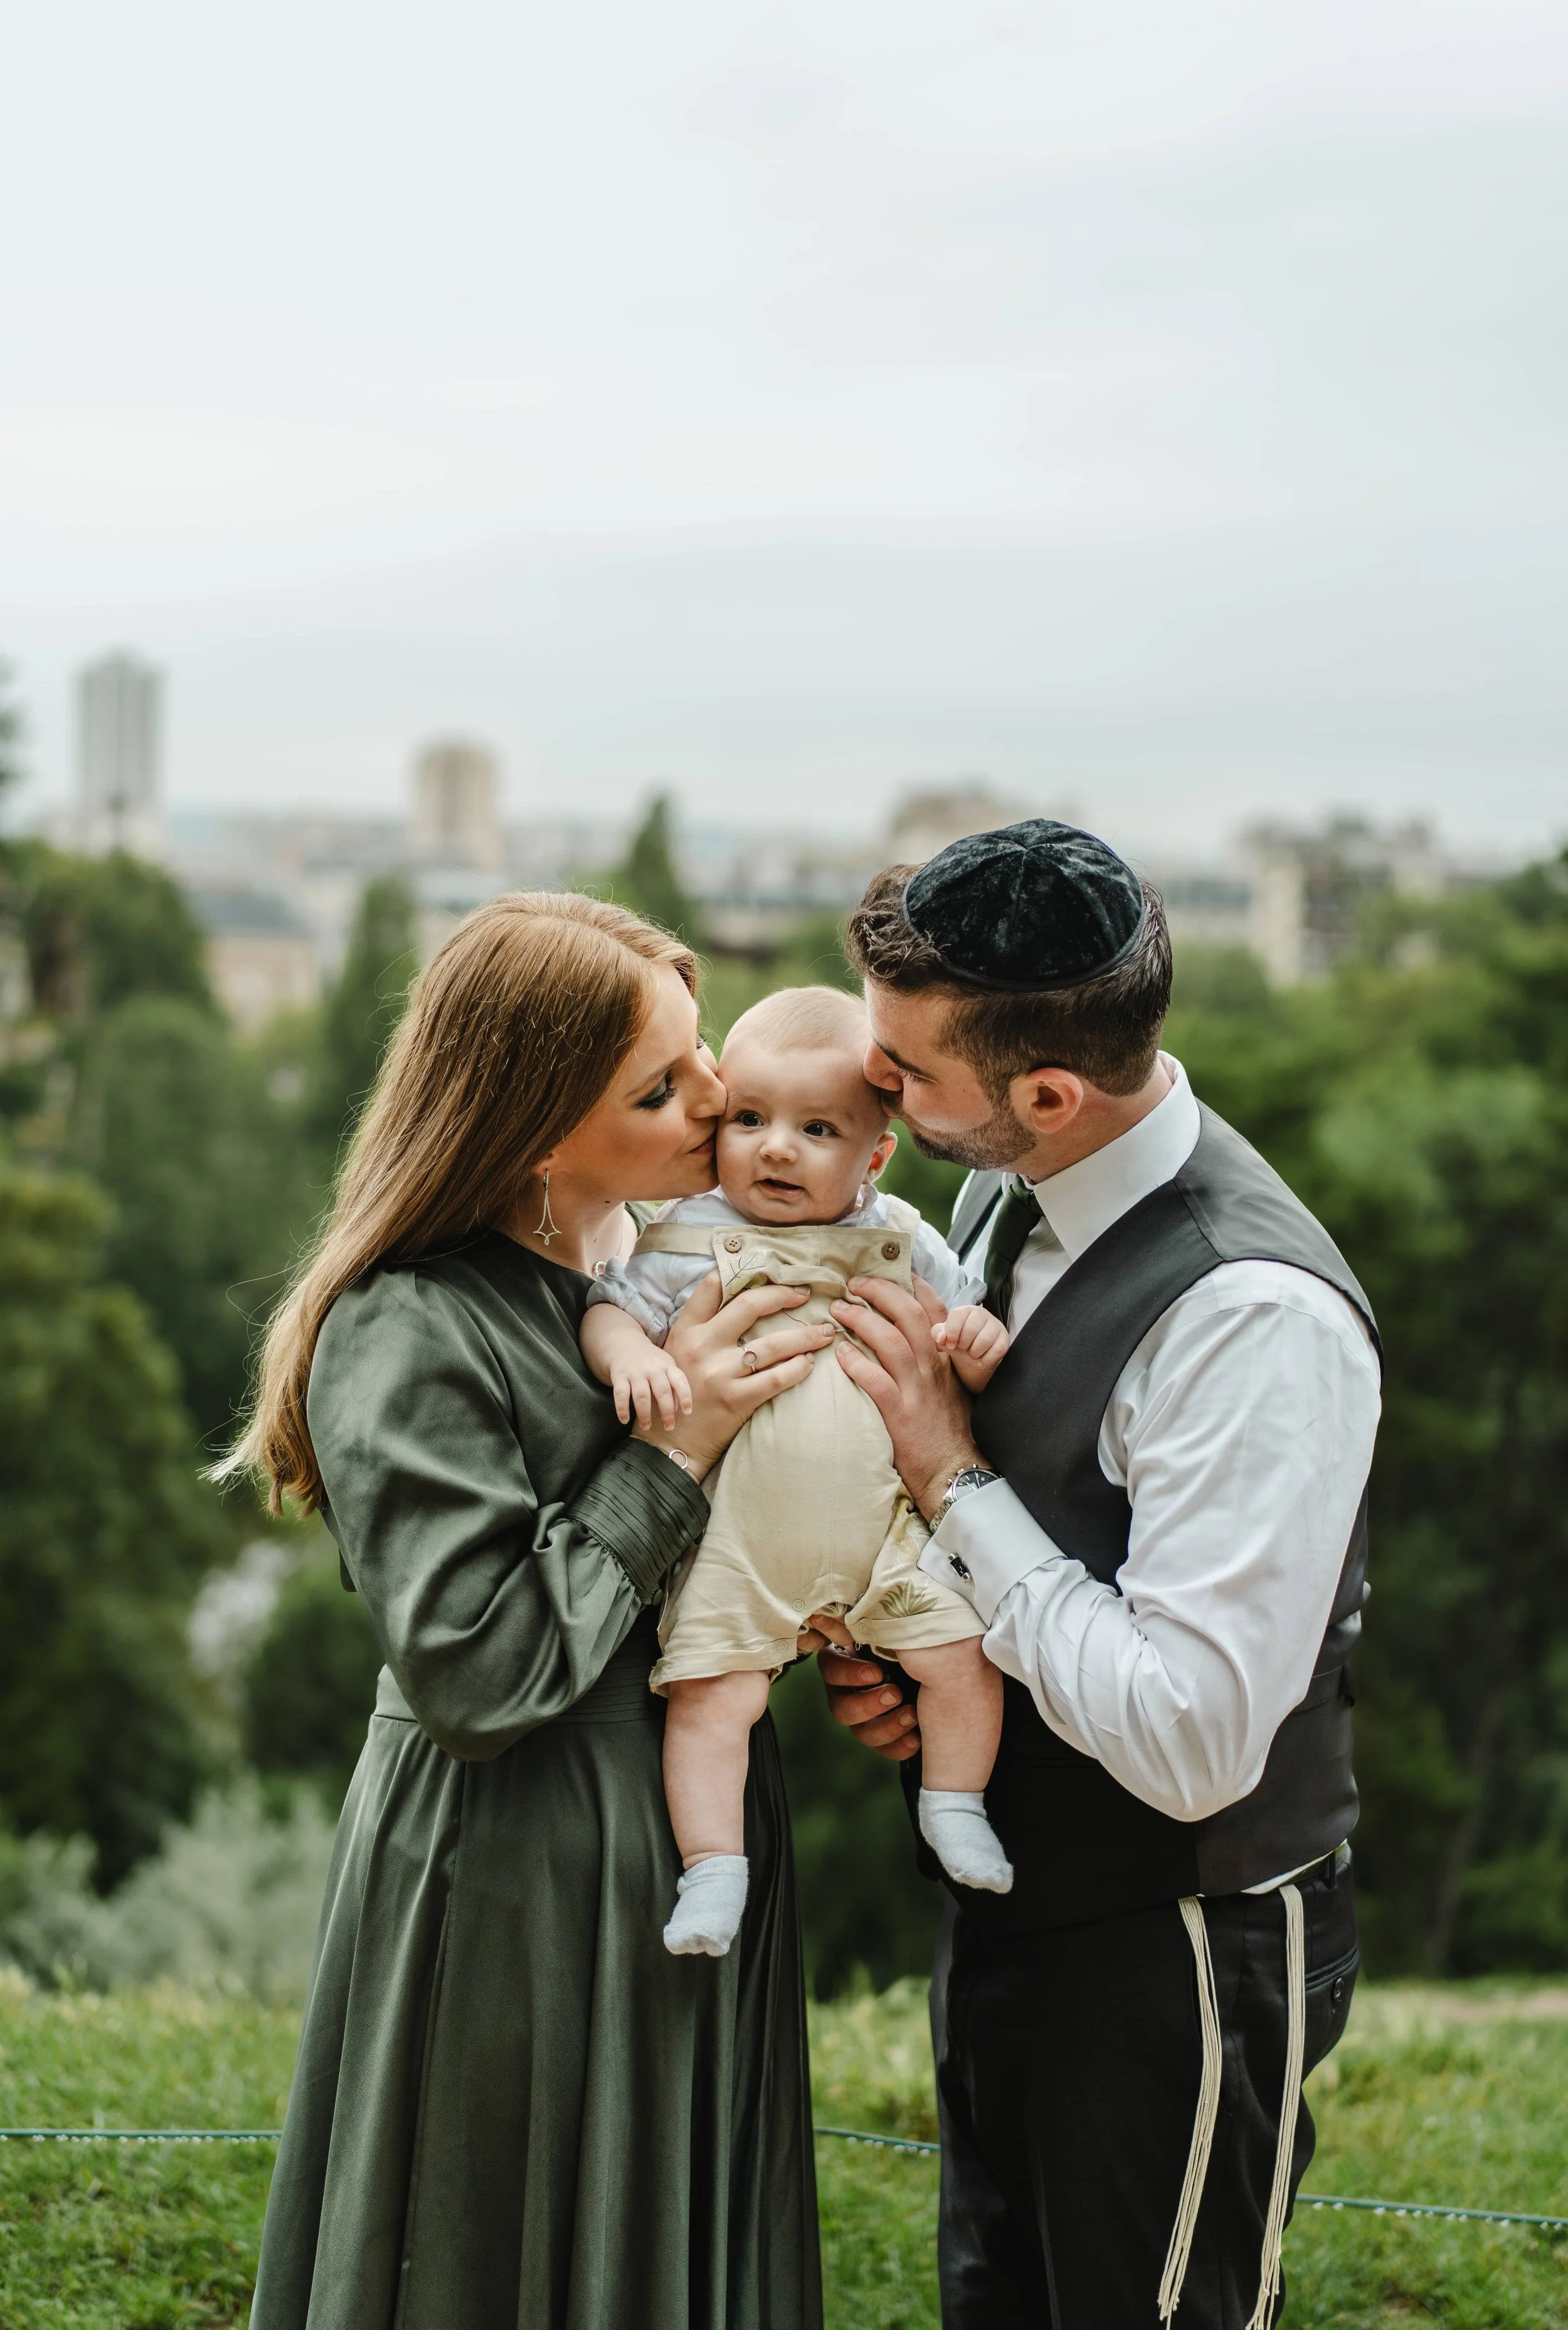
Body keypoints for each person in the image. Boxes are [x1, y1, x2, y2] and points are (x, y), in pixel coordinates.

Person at [230, 892, 827, 2330]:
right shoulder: (409, 1323)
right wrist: (669, 1457)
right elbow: (478, 1672)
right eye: (660, 1088)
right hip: (516, 1873)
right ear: (537, 1125)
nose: (718, 1101)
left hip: (687, 1836)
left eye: (700, 1062)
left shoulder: (659, 1269)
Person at [819, 821, 1381, 2330]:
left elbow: (1193, 1740)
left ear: (1047, 1094)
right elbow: (1056, 1557)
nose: (876, 1091)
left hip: (1174, 1943)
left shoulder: (1250, 1319)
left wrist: (949, 1473)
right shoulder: (1010, 1191)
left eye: (907, 1073)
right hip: (1021, 1904)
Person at [581, 985, 1014, 1959]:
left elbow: (963, 1329)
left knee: (960, 1657)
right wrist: (630, 1357)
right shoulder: (686, 1234)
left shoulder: (904, 1236)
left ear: (875, 1152)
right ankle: (712, 1874)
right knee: (709, 1700)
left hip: (887, 1539)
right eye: (749, 1118)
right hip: (741, 1542)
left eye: (816, 1127)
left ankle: (954, 1805)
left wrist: (978, 1344)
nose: (775, 1147)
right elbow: (606, 1307)